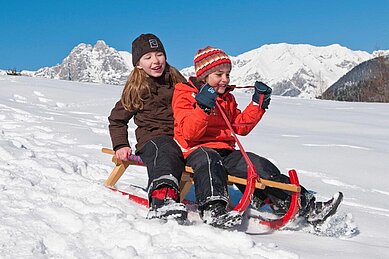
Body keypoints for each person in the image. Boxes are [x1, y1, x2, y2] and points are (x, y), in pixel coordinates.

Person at [172, 46, 343, 228]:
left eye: (228, 74)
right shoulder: (185, 94)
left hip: (225, 151)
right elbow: (190, 133)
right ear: (203, 76)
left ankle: (305, 206)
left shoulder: (226, 98)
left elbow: (240, 126)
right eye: (219, 75)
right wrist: (202, 107)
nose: (225, 79)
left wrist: (257, 104)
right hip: (195, 150)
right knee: (209, 159)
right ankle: (213, 209)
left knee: (257, 164)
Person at [108, 33, 188, 221]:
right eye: (148, 57)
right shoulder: (137, 88)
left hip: (181, 138)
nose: (156, 61)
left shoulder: (177, 81)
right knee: (165, 148)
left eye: (159, 54)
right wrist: (121, 145)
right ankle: (162, 198)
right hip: (152, 141)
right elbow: (117, 120)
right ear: (138, 63)